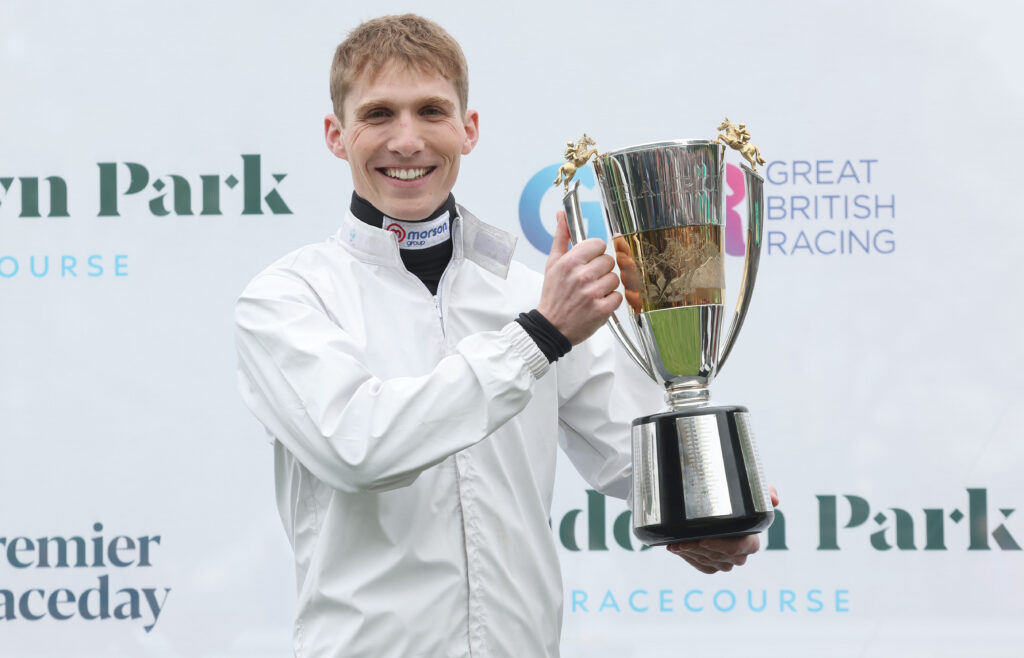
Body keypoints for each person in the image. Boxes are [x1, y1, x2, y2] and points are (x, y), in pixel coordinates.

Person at [235, 14, 775, 658]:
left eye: (431, 111)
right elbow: (359, 450)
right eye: (378, 114)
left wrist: (706, 506)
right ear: (335, 134)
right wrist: (541, 337)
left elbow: (629, 454)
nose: (406, 141)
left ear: (468, 129)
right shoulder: (287, 298)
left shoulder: (531, 296)